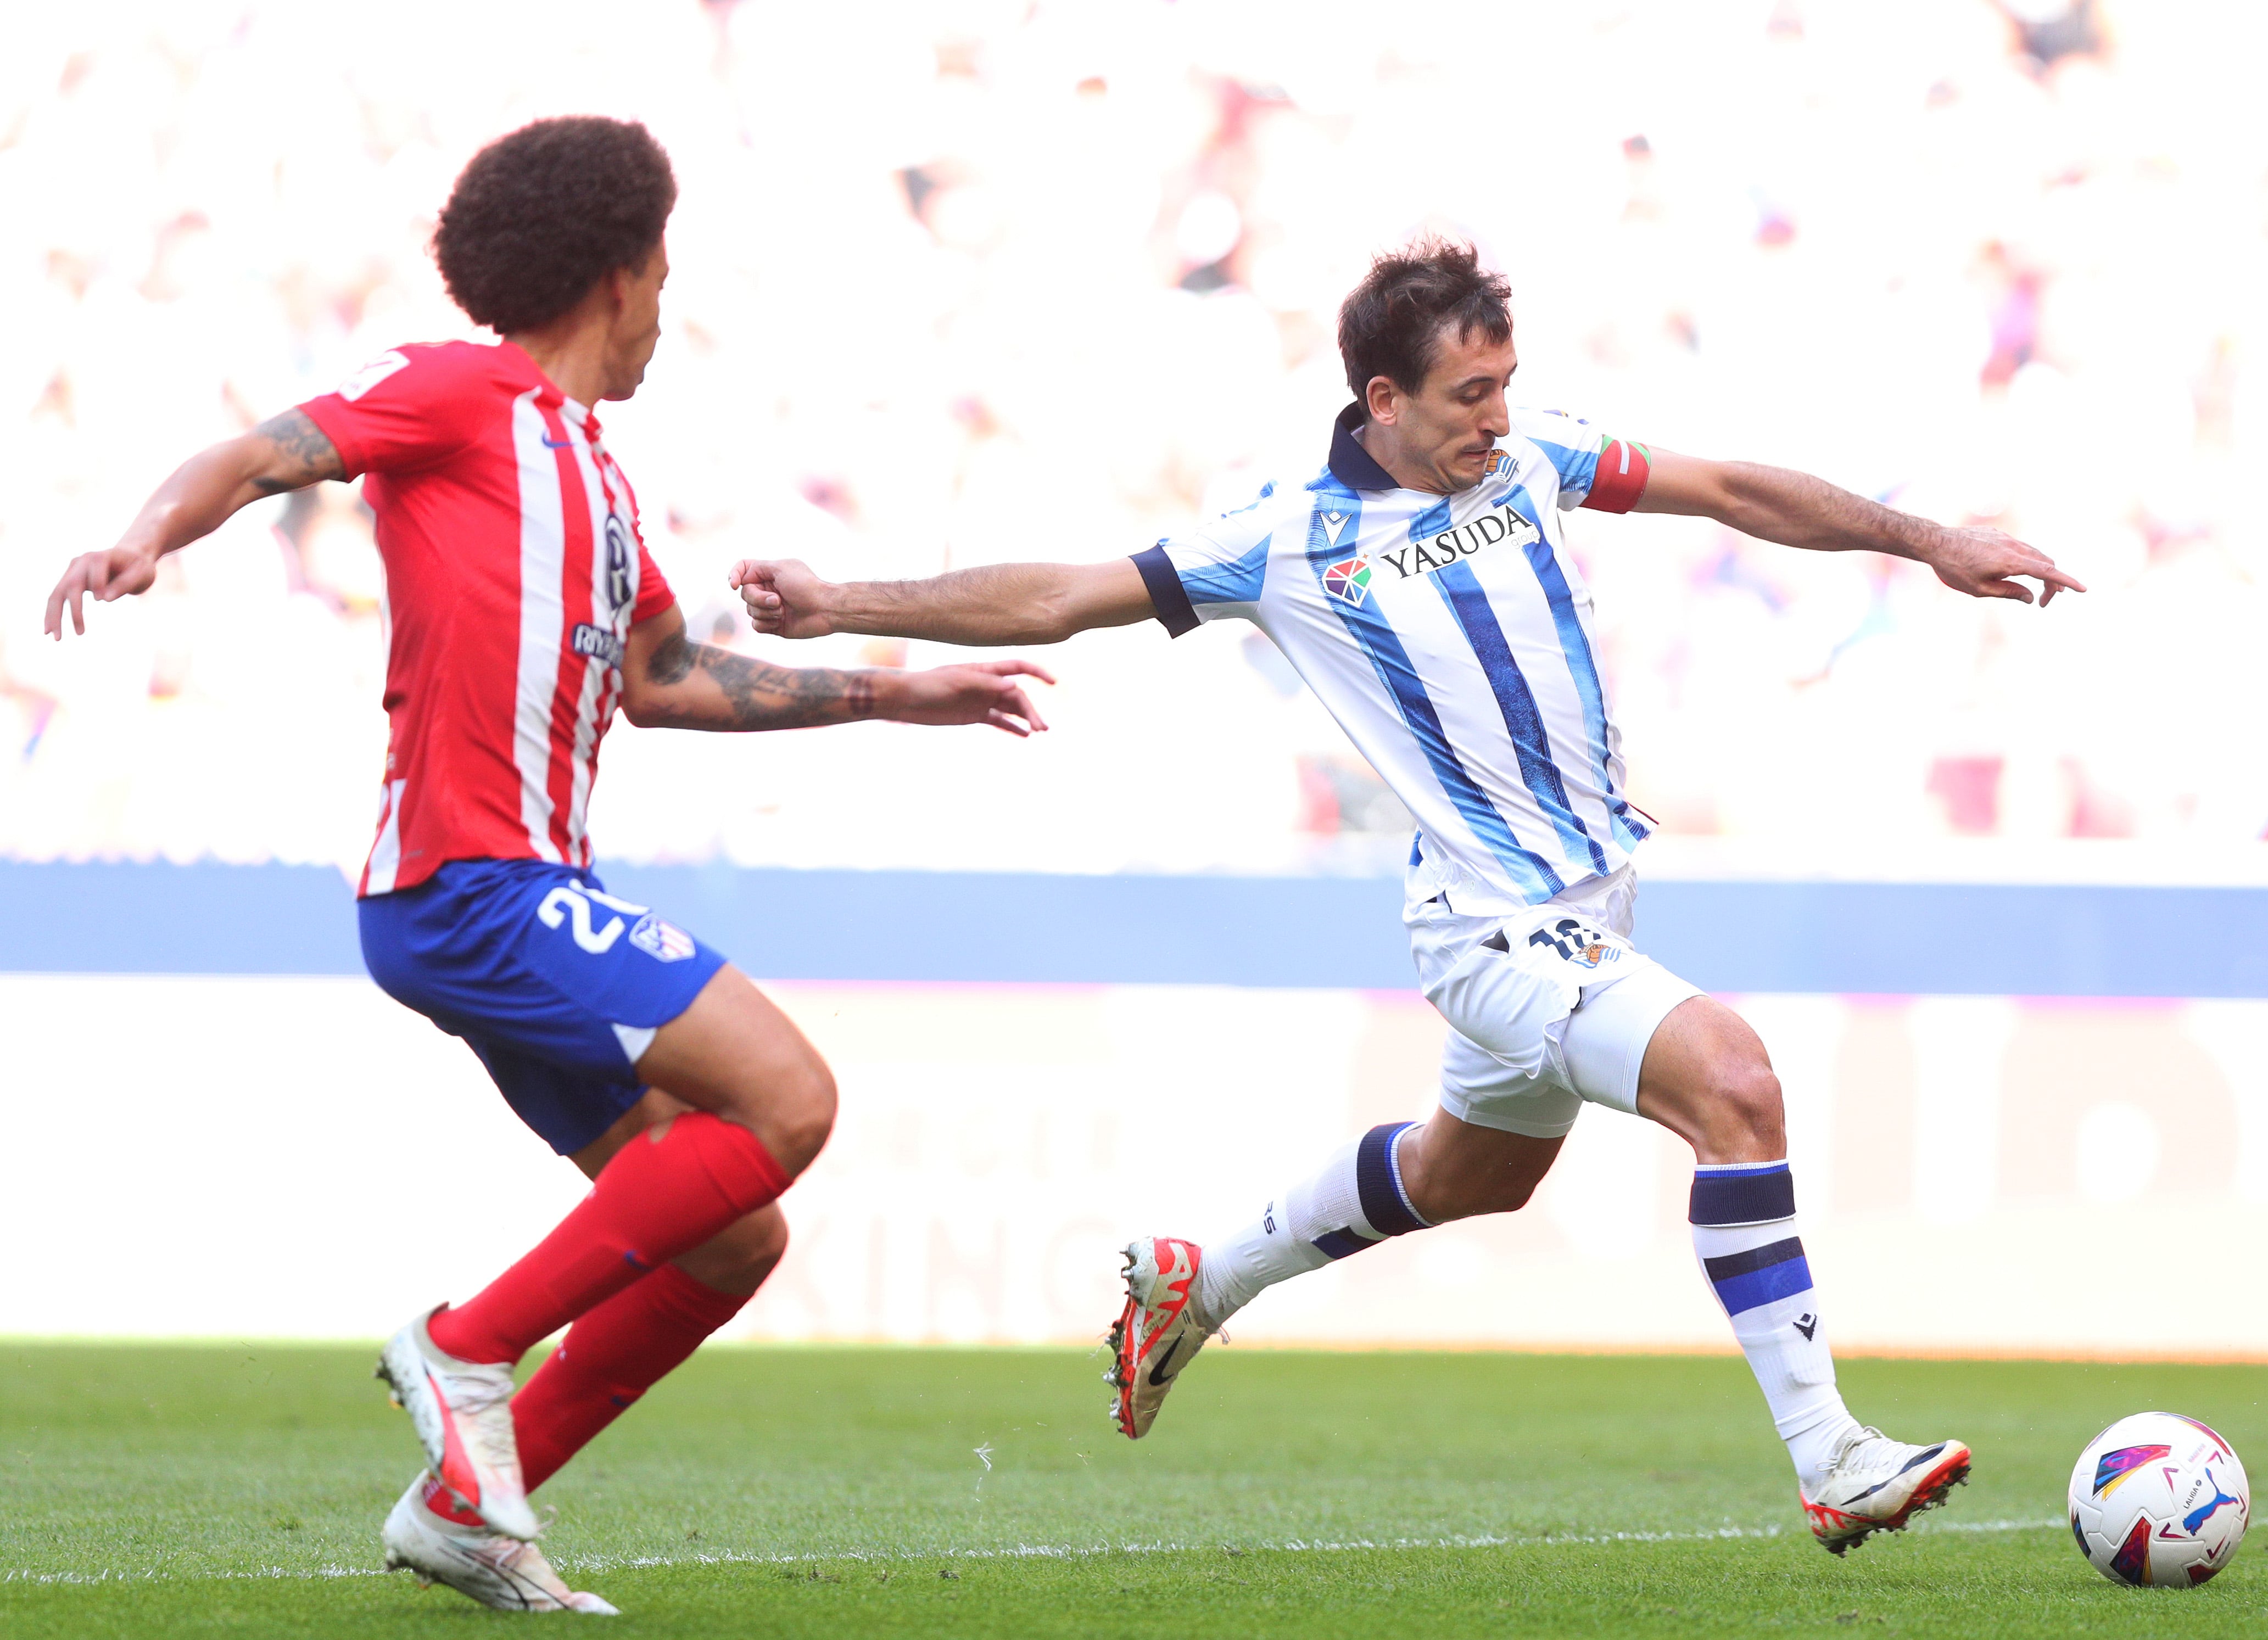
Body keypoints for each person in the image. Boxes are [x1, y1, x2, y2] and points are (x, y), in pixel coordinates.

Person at [730, 240, 2085, 1555]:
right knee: (1733, 1082)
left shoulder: (1537, 454)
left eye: (1504, 386)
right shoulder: (1285, 539)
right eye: (1467, 397)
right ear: (1382, 401)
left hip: (1588, 903)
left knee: (1467, 1174)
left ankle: (1202, 1277)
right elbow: (1064, 593)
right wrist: (843, 597)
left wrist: (1929, 542)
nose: (1497, 420)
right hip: (1489, 926)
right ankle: (1832, 1456)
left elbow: (1731, 486)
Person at [43, 117, 1051, 1613]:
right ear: (623, 274)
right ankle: (461, 1344)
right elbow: (260, 452)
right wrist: (145, 539)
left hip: (507, 896)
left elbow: (663, 676)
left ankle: (466, 1509)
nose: (667, 304)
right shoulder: (463, 391)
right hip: (467, 885)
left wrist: (899, 689)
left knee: (726, 1238)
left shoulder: (594, 478)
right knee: (790, 1099)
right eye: (663, 270)